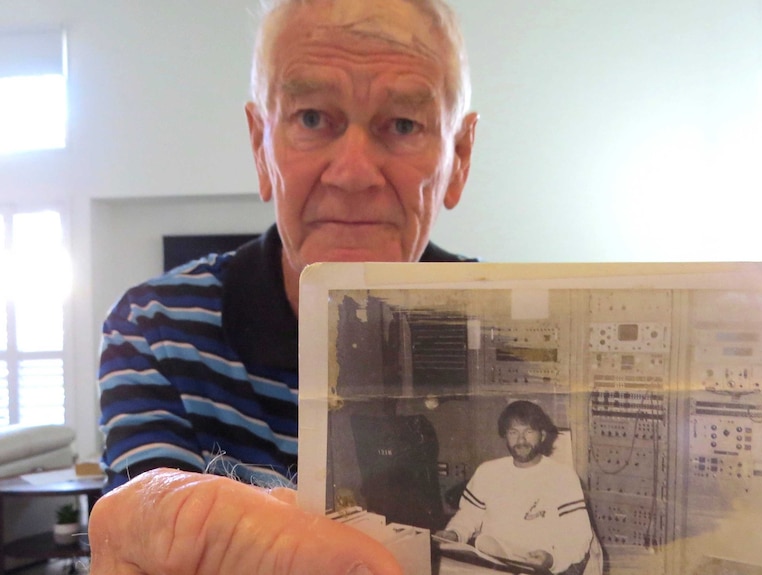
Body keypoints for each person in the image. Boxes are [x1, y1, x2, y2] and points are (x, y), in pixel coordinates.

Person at [89, 0, 478, 573]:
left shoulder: (496, 327)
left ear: (459, 158)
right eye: (312, 119)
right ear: (260, 144)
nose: (352, 174)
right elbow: (150, 537)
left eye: (402, 124)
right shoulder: (155, 329)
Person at [435, 400, 595, 575]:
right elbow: (468, 515)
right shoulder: (487, 471)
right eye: (513, 432)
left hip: (539, 565)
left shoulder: (563, 477)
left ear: (542, 435)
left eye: (529, 432)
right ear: (505, 436)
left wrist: (552, 559)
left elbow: (579, 536)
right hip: (493, 562)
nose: (521, 440)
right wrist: (455, 533)